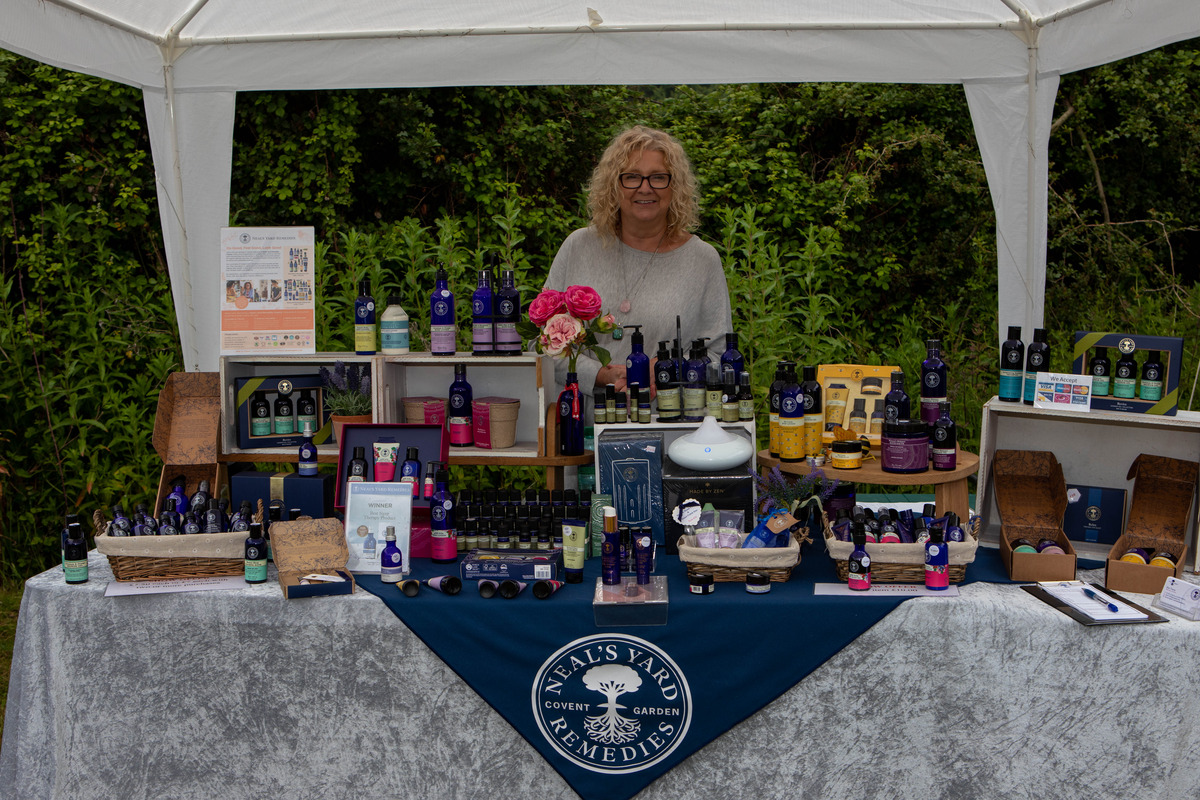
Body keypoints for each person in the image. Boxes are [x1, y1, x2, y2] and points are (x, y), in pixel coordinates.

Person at [544, 125, 733, 396]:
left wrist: (670, 368)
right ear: (613, 184)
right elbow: (540, 344)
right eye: (632, 177)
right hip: (583, 426)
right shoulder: (577, 247)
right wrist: (599, 375)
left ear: (675, 186)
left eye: (658, 177)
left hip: (673, 427)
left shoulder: (702, 260)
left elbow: (720, 353)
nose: (645, 188)